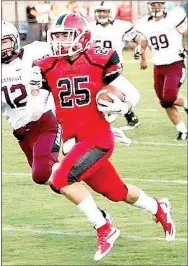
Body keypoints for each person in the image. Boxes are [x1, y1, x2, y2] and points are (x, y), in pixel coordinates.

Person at [28, 13, 176, 261]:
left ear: (82, 36)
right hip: (73, 142)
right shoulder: (47, 66)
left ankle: (104, 228)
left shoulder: (100, 59)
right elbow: (37, 111)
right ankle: (159, 207)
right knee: (117, 192)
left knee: (61, 179)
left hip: (97, 139)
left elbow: (131, 93)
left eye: (66, 35)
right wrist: (33, 92)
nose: (61, 42)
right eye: (58, 36)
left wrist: (124, 107)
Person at [2, 20, 120, 262]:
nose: (2, 47)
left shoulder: (35, 51)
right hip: (21, 133)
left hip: (45, 123)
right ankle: (100, 214)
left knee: (54, 175)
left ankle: (103, 226)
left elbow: (68, 49)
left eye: (4, 41)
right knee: (44, 177)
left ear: (14, 39)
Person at [136, 1, 187, 140]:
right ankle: (182, 130)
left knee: (169, 97)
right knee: (164, 102)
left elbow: (186, 33)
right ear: (149, 5)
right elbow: (144, 39)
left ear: (163, 4)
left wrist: (186, 48)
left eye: (158, 3)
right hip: (158, 66)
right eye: (153, 4)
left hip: (175, 63)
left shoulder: (173, 17)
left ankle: (186, 104)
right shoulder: (145, 23)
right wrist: (143, 58)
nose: (156, 7)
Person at [88, 1, 141, 131]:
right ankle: (121, 116)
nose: (101, 14)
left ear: (111, 12)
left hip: (113, 69)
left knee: (128, 94)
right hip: (93, 69)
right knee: (95, 96)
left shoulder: (121, 26)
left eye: (104, 11)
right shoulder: (89, 27)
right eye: (99, 11)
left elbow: (137, 39)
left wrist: (139, 50)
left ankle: (119, 114)